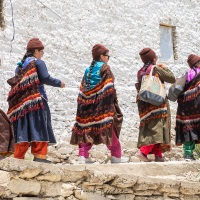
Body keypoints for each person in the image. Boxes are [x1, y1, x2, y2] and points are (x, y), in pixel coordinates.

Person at [7, 38, 65, 163]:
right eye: (41, 51)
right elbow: (45, 78)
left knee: (23, 128)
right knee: (40, 126)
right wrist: (59, 83)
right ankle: (40, 157)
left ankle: (18, 158)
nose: (42, 54)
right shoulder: (38, 63)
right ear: (36, 51)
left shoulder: (20, 67)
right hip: (37, 101)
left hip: (22, 104)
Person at [70, 44, 126, 164]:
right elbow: (109, 88)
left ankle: (83, 156)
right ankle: (116, 157)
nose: (108, 58)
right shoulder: (105, 68)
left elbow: (83, 89)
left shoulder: (87, 70)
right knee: (110, 132)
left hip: (87, 107)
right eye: (107, 56)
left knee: (87, 130)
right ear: (101, 56)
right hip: (103, 107)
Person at [135, 48, 175, 162]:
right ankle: (143, 151)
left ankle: (158, 155)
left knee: (151, 127)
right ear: (153, 59)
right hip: (157, 103)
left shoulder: (140, 71)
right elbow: (171, 78)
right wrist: (165, 68)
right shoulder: (156, 69)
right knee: (157, 127)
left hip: (144, 105)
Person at [175, 54, 200, 161]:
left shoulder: (185, 75)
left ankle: (188, 154)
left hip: (184, 106)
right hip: (196, 105)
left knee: (188, 128)